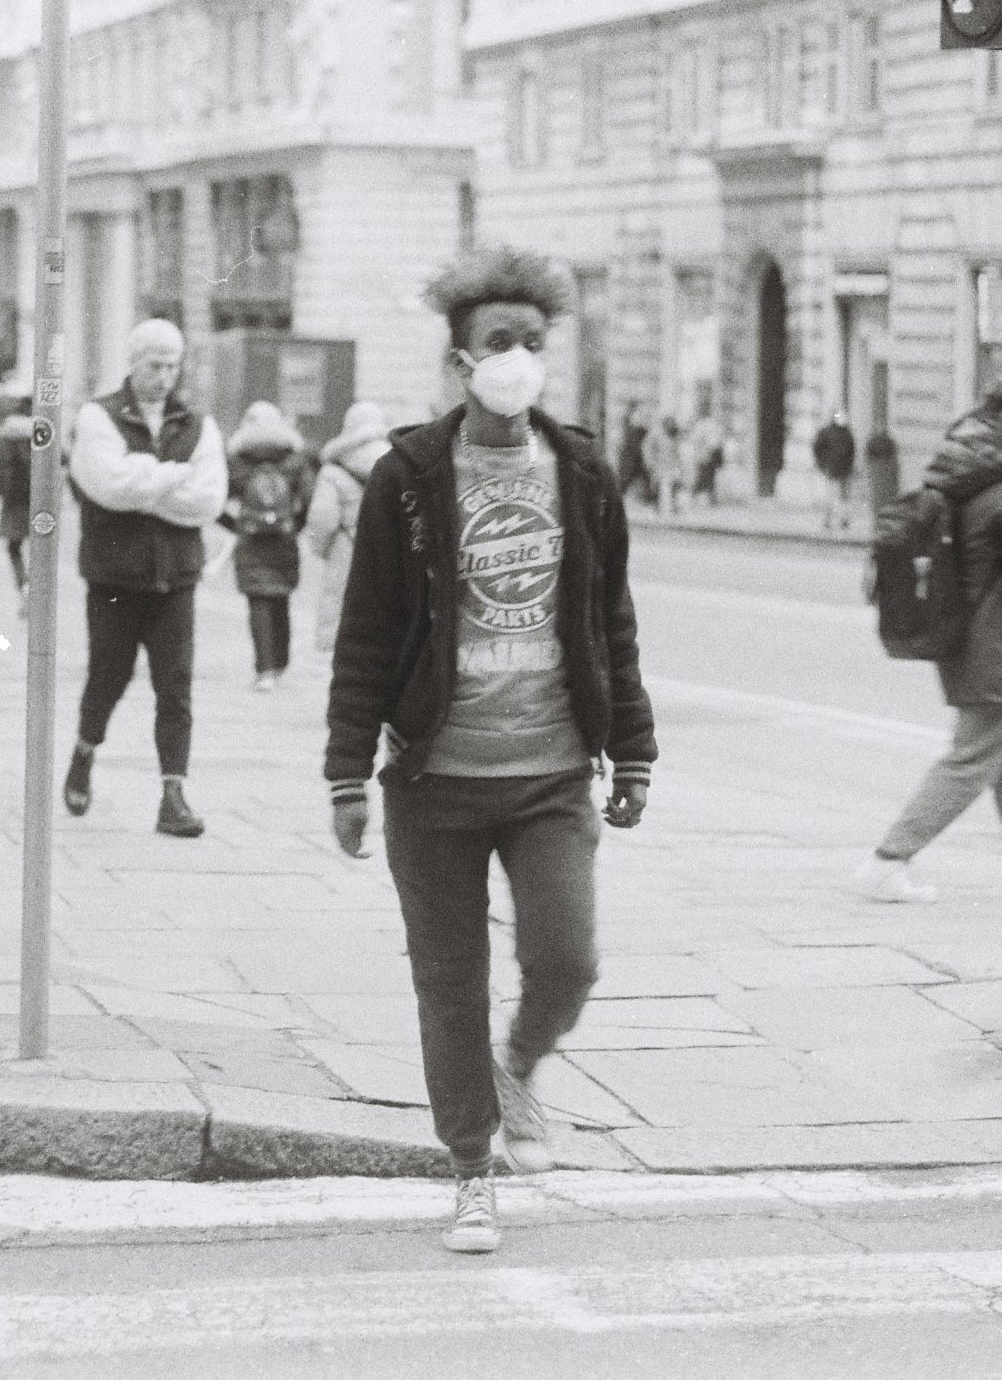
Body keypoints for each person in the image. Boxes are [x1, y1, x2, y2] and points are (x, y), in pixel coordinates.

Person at [324, 249, 655, 1257]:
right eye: (497, 344)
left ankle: (514, 1068)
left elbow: (611, 620)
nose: (517, 359)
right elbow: (367, 633)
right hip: (435, 782)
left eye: (531, 344)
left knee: (566, 961)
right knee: (448, 983)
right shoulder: (408, 477)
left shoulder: (584, 472)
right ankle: (471, 1171)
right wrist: (345, 773)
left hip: (552, 773)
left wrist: (631, 750)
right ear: (460, 361)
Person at [855, 378, 1002, 904]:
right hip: (993, 641)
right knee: (970, 760)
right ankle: (888, 859)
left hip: (961, 633)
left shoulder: (959, 475)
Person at [62, 318, 227, 838]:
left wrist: (144, 482)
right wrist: (174, 477)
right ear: (133, 364)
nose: (163, 376)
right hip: (114, 576)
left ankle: (173, 796)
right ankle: (84, 755)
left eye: (172, 366)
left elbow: (207, 500)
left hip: (174, 578)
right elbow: (107, 486)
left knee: (175, 688)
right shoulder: (98, 417)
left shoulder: (198, 424)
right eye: (154, 365)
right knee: (107, 677)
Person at [224, 400, 312, 691]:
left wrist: (234, 525)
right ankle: (281, 661)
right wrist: (294, 525)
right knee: (281, 597)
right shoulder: (294, 457)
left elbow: (216, 498)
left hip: (251, 540)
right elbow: (309, 498)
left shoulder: (237, 457)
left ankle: (264, 669)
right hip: (284, 539)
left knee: (257, 600)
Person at [302, 400, 392, 654]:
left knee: (339, 599)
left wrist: (320, 549)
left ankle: (337, 652)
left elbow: (323, 518)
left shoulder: (333, 469)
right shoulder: (395, 460)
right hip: (385, 545)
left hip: (346, 544)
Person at [0, 395, 35, 593]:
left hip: (13, 501)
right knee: (40, 546)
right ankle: (37, 585)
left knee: (14, 548)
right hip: (37, 500)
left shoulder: (7, 434)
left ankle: (23, 583)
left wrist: (4, 492)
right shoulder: (43, 431)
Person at [812, 411, 858, 533]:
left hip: (841, 470)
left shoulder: (845, 433)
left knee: (840, 497)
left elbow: (851, 452)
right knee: (832, 496)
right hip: (833, 469)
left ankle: (841, 520)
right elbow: (818, 448)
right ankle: (829, 520)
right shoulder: (829, 432)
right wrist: (822, 464)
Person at [686, 410, 724, 506]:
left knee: (704, 476)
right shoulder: (714, 424)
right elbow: (718, 441)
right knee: (707, 476)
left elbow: (696, 439)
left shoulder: (701, 425)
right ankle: (706, 498)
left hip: (705, 454)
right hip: (709, 454)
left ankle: (702, 498)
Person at [645, 415, 682, 515]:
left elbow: (677, 452)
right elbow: (648, 449)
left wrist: (679, 465)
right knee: (659, 487)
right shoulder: (656, 436)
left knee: (674, 485)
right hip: (659, 466)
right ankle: (658, 507)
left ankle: (673, 506)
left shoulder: (674, 436)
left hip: (672, 465)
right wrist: (650, 463)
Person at [617, 403, 651, 505]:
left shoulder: (633, 428)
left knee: (643, 477)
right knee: (626, 479)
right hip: (632, 456)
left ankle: (648, 497)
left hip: (636, 456)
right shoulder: (631, 428)